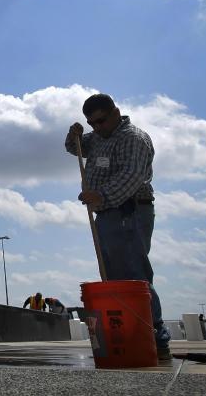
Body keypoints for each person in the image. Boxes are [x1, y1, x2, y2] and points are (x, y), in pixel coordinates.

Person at [66, 93, 172, 360]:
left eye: (100, 121)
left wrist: (100, 196)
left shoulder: (131, 138)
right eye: (91, 124)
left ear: (115, 113)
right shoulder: (99, 137)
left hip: (129, 210)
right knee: (114, 275)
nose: (96, 128)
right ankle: (128, 334)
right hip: (108, 214)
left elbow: (132, 175)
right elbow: (77, 148)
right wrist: (74, 137)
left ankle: (155, 336)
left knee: (133, 274)